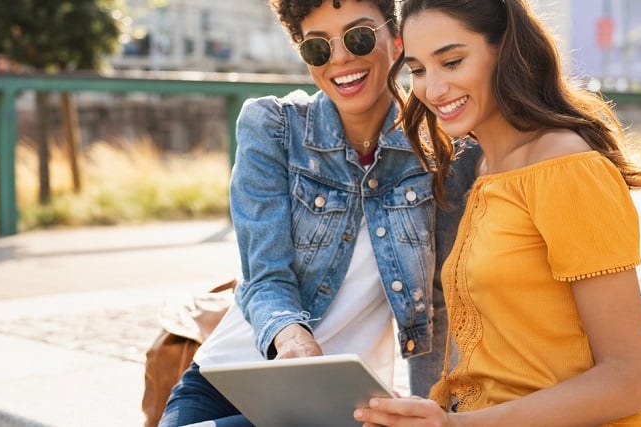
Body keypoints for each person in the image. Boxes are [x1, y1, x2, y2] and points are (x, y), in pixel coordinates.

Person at [158, 1, 480, 426]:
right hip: (230, 380)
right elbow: (265, 277)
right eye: (317, 48)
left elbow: (440, 301)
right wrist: (292, 340)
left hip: (342, 403)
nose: (341, 58)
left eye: (358, 37)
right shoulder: (271, 127)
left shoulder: (444, 152)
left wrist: (432, 406)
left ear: (397, 40)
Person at [354, 0, 641, 426]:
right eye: (419, 70)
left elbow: (630, 380)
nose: (433, 88)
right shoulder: (482, 168)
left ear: (505, 51)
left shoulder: (565, 166)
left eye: (452, 61)